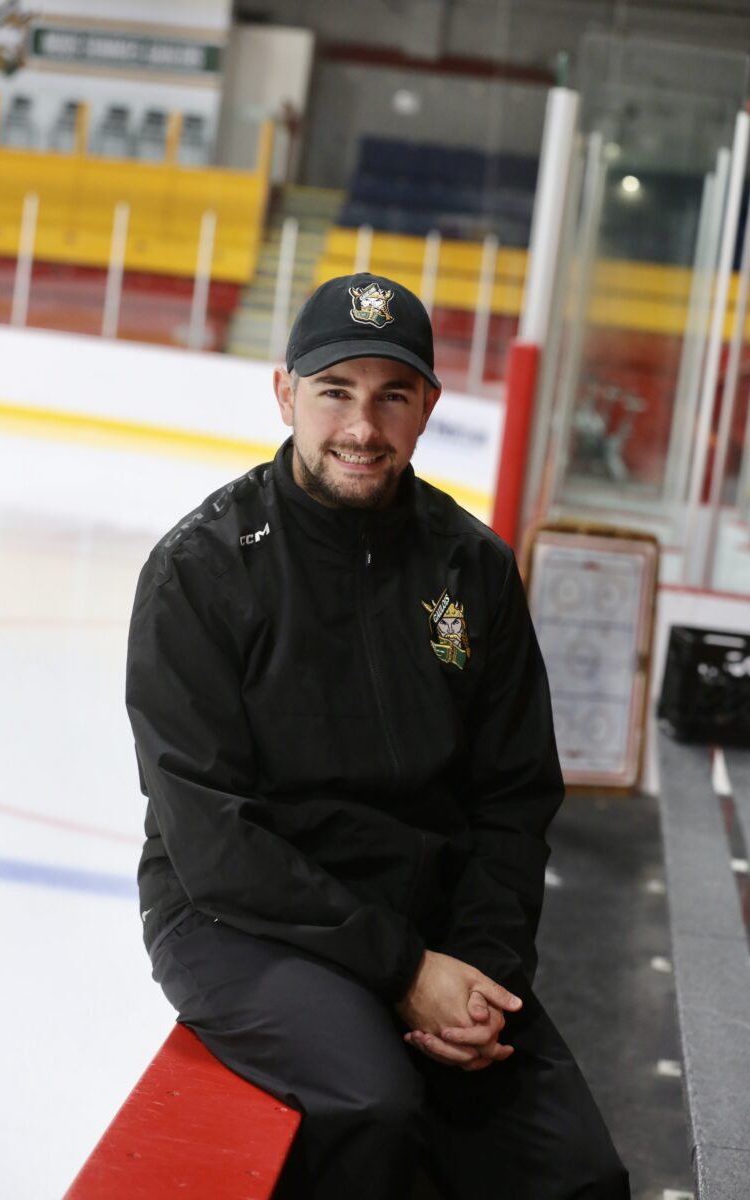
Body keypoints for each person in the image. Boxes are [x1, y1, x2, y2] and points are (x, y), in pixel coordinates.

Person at [126, 272, 630, 1199]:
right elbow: (214, 841)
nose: (363, 427)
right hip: (241, 922)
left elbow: (513, 798)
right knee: (374, 1104)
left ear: (428, 406)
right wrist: (404, 972)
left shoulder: (471, 568)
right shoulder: (198, 573)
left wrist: (482, 970)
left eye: (392, 395)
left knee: (581, 1175)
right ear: (285, 393)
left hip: (429, 919)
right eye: (335, 392)